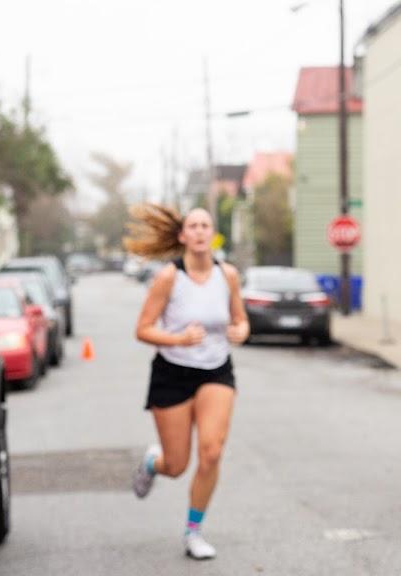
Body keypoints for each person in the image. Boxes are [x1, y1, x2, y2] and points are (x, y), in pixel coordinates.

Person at [126, 204, 249, 561]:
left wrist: (240, 331)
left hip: (216, 371)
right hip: (172, 374)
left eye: (204, 225)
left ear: (212, 233)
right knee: (177, 465)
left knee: (211, 451)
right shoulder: (168, 277)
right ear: (182, 236)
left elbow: (240, 321)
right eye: (192, 226)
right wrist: (178, 339)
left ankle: (193, 531)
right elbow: (143, 328)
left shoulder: (228, 275)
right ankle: (153, 463)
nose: (198, 231)